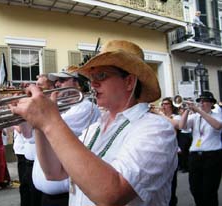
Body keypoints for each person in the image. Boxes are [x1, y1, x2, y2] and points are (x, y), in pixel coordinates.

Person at [11, 40, 178, 206]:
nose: (93, 83)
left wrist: (50, 120)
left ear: (129, 82)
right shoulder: (94, 128)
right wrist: (38, 124)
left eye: (101, 76)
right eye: (91, 77)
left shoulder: (156, 129)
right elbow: (54, 172)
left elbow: (111, 194)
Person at [32, 71, 100, 206]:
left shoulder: (85, 107)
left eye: (62, 80)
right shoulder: (60, 107)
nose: (57, 84)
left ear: (77, 84)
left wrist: (38, 109)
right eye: (56, 81)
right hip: (46, 192)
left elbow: (50, 127)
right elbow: (29, 135)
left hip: (63, 195)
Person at [179, 91, 222, 206]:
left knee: (209, 190)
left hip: (212, 155)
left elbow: (217, 126)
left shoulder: (217, 114)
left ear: (211, 103)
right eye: (200, 101)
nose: (201, 103)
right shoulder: (195, 117)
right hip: (195, 156)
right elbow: (181, 126)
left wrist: (199, 110)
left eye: (205, 101)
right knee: (195, 189)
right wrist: (187, 110)